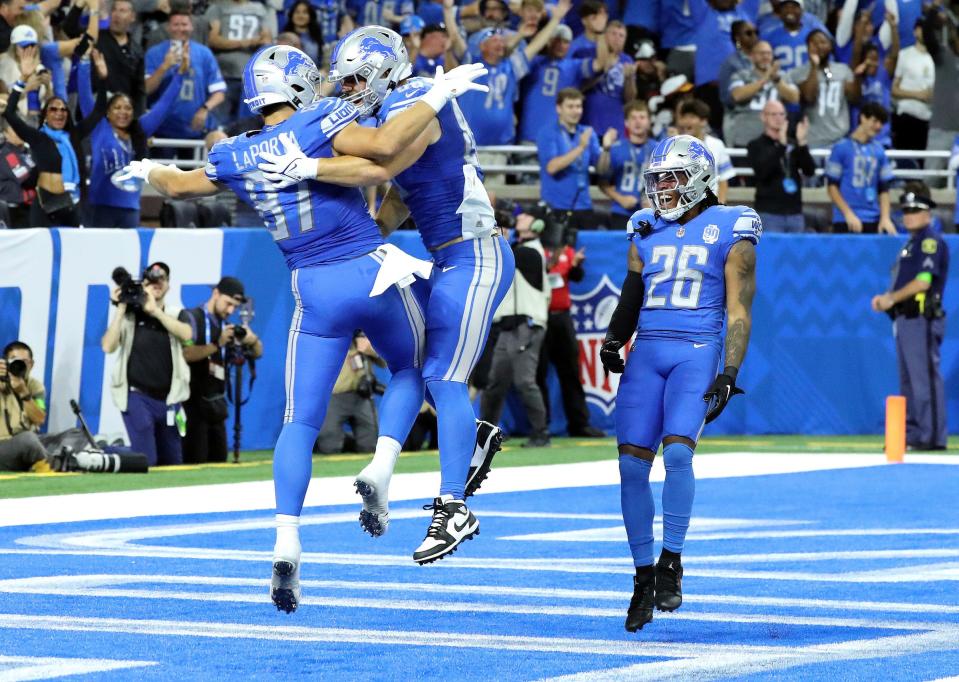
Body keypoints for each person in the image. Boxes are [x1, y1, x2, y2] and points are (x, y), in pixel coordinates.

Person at [120, 45, 490, 611]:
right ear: (296, 87)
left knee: (299, 422)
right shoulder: (320, 119)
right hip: (369, 271)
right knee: (418, 367)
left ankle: (286, 538)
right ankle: (382, 467)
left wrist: (148, 168)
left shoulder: (235, 152)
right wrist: (440, 93)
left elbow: (177, 186)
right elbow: (384, 152)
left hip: (311, 290)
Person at [265, 27, 514, 559]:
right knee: (420, 365)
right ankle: (448, 449)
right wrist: (360, 245)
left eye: (357, 77)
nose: (351, 88)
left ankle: (454, 507)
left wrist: (311, 167)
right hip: (448, 257)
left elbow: (385, 162)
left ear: (384, 68)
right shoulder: (398, 104)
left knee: (444, 378)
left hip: (476, 253)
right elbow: (400, 197)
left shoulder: (413, 98)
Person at [599, 134, 760, 632]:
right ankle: (642, 576)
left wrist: (729, 373)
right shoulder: (643, 227)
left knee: (677, 455)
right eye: (658, 179)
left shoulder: (734, 225)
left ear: (699, 177)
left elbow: (738, 309)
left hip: (695, 349)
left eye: (671, 178)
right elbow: (631, 291)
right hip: (647, 350)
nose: (663, 188)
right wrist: (613, 339)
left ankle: (672, 560)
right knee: (630, 468)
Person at [870, 187, 948, 451]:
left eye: (915, 210)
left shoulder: (929, 242)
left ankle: (931, 436)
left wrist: (891, 298)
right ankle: (915, 433)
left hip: (921, 317)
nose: (909, 215)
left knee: (923, 378)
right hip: (906, 318)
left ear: (928, 212)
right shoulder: (912, 244)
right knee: (909, 380)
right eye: (906, 210)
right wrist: (888, 299)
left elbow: (923, 282)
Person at [100, 262, 194, 466]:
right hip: (137, 396)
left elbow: (187, 335)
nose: (156, 285)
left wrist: (156, 312)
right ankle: (107, 452)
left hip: (170, 399)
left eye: (162, 281)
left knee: (172, 462)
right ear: (143, 285)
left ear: (168, 285)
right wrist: (121, 307)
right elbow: (108, 346)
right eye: (151, 281)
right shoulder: (131, 316)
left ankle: (111, 450)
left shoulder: (176, 313)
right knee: (147, 460)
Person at [80, 47, 183, 227]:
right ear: (108, 113)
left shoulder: (139, 130)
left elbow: (163, 105)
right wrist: (84, 63)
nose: (123, 112)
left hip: (130, 209)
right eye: (117, 108)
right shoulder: (99, 127)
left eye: (127, 108)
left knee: (129, 255)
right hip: (100, 207)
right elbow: (84, 96)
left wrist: (180, 74)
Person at [481, 211, 552, 448]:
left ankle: (541, 433)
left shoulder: (532, 251)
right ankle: (487, 434)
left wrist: (498, 236)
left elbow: (511, 255)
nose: (518, 218)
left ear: (537, 225)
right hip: (509, 325)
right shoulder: (518, 250)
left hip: (527, 324)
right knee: (495, 383)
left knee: (525, 382)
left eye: (525, 217)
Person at [181, 276, 263, 464]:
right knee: (196, 461)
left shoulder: (227, 327)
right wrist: (218, 343)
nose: (230, 310)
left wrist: (253, 340)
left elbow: (258, 353)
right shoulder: (190, 317)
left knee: (219, 461)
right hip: (192, 402)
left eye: (234, 306)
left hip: (217, 403)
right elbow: (186, 354)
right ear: (216, 293)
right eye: (228, 304)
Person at [536, 241, 606, 438]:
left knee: (571, 373)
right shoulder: (536, 250)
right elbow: (541, 277)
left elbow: (577, 277)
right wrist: (561, 264)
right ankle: (541, 426)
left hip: (562, 318)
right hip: (539, 317)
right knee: (537, 375)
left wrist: (575, 264)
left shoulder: (566, 251)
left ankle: (579, 424)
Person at [144, 3, 226, 142]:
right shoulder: (155, 53)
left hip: (195, 128)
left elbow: (219, 92)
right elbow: (146, 89)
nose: (181, 28)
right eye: (176, 24)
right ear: (168, 27)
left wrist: (205, 109)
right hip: (162, 128)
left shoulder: (204, 53)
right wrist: (164, 67)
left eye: (184, 24)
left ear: (191, 26)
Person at [517, 22, 606, 144]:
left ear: (570, 45)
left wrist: (600, 34)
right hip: (530, 135)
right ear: (548, 42)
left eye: (565, 42)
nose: (560, 45)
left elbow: (600, 64)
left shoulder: (574, 66)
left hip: (560, 139)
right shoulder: (534, 62)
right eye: (556, 41)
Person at [537, 87, 604, 241]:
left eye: (579, 106)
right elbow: (552, 167)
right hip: (556, 206)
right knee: (556, 257)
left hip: (584, 205)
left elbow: (600, 169)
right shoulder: (547, 133)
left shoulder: (587, 132)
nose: (576, 111)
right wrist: (580, 148)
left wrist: (605, 149)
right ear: (559, 108)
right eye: (570, 106)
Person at [781, 29, 865, 149]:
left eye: (823, 42)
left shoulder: (842, 70)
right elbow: (809, 97)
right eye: (814, 43)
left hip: (839, 139)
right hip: (812, 141)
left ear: (830, 46)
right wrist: (814, 67)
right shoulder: (798, 73)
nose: (819, 46)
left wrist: (857, 78)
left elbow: (855, 98)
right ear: (807, 47)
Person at [825, 102, 896, 234]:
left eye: (881, 123)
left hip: (873, 218)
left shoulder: (879, 151)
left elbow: (884, 188)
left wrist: (885, 218)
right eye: (875, 121)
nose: (878, 126)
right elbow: (832, 186)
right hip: (845, 219)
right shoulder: (841, 148)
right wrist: (848, 214)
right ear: (863, 118)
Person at [746, 100, 815, 233]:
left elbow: (809, 170)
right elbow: (763, 172)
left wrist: (802, 143)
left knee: (796, 253)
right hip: (769, 212)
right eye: (773, 114)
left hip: (795, 212)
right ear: (763, 117)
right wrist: (782, 146)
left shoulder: (793, 144)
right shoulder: (756, 145)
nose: (778, 118)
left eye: (782, 114)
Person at [315, 331, 385, 454]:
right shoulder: (328, 338)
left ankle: (350, 441)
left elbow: (384, 363)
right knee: (329, 447)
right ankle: (344, 440)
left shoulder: (364, 338)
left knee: (370, 446)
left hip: (362, 397)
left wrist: (369, 349)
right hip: (336, 397)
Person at [206, 0, 273, 120]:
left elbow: (267, 39)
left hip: (251, 79)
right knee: (221, 122)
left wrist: (254, 42)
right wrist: (243, 43)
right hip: (224, 75)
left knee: (247, 124)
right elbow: (212, 39)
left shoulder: (260, 9)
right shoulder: (217, 8)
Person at [597, 100, 656, 231]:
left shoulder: (659, 148)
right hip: (621, 212)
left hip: (652, 213)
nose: (638, 121)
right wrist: (621, 198)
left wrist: (655, 202)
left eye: (642, 117)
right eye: (633, 118)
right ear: (626, 123)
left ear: (649, 122)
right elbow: (602, 180)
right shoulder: (616, 148)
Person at [724, 40, 794, 147]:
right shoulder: (742, 75)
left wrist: (776, 80)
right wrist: (765, 78)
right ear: (752, 56)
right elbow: (737, 96)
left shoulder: (782, 77)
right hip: (745, 139)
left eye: (768, 53)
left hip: (775, 139)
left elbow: (794, 98)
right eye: (761, 53)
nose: (765, 57)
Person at [583, 20, 637, 138]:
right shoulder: (588, 54)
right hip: (590, 124)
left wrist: (629, 79)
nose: (617, 38)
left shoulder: (627, 60)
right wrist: (604, 68)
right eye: (613, 34)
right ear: (605, 36)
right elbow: (581, 87)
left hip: (615, 126)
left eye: (621, 35)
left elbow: (630, 100)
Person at [675, 98, 735, 205]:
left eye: (692, 117)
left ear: (703, 121)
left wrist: (720, 205)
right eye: (684, 117)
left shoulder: (717, 145)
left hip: (710, 206)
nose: (686, 121)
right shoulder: (673, 146)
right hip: (681, 206)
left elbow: (723, 180)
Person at [0, 341, 48, 472]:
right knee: (28, 440)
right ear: (5, 363)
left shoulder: (35, 386)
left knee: (74, 434)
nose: (19, 365)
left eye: (24, 362)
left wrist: (24, 393)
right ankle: (50, 467)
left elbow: (40, 419)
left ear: (31, 365)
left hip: (24, 445)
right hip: (4, 447)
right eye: (14, 361)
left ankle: (47, 461)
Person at [891, 18, 936, 156]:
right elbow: (894, 90)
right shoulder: (905, 55)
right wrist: (919, 95)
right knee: (904, 160)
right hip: (906, 115)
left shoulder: (936, 59)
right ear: (916, 31)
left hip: (927, 118)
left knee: (921, 163)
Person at [96, 0, 146, 114]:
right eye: (114, 10)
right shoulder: (97, 39)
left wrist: (138, 121)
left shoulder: (137, 51)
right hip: (96, 109)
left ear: (132, 17)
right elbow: (70, 29)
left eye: (122, 11)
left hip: (121, 114)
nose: (116, 14)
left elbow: (139, 90)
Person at [282, 1, 323, 66]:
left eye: (305, 12)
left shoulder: (316, 36)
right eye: (297, 12)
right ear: (291, 15)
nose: (300, 15)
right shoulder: (284, 38)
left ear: (310, 16)